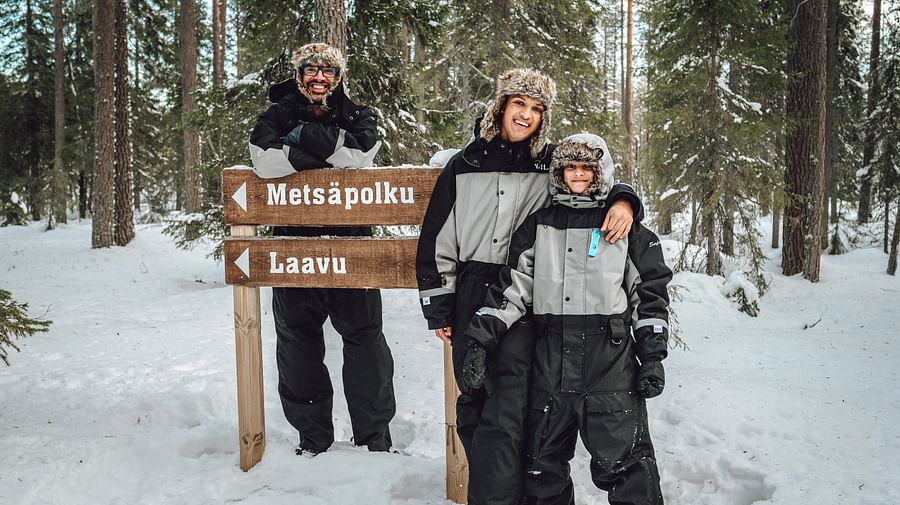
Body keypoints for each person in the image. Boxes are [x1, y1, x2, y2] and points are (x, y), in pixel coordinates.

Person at [416, 69, 644, 505]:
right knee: (474, 403)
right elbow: (437, 238)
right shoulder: (465, 164)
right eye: (520, 104)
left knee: (512, 411)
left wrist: (625, 200)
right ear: (501, 104)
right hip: (471, 291)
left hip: (527, 294)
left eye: (537, 109)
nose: (527, 115)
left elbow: (595, 180)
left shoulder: (551, 161)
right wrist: (438, 305)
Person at [463, 134, 672, 505]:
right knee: (542, 468)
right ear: (558, 172)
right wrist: (480, 340)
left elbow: (649, 295)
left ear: (600, 171)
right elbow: (512, 288)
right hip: (550, 363)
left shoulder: (624, 227)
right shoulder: (539, 225)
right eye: (569, 167)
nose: (578, 175)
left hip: (609, 364)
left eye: (587, 168)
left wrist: (652, 355)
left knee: (626, 465)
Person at [248, 42, 395, 456]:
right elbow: (264, 161)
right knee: (297, 345)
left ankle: (375, 441)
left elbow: (361, 154)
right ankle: (313, 441)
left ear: (338, 76)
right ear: (299, 74)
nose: (319, 77)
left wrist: (296, 141)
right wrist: (330, 151)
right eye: (311, 69)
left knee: (367, 345)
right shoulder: (275, 114)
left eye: (328, 71)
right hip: (293, 251)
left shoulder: (358, 113)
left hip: (353, 248)